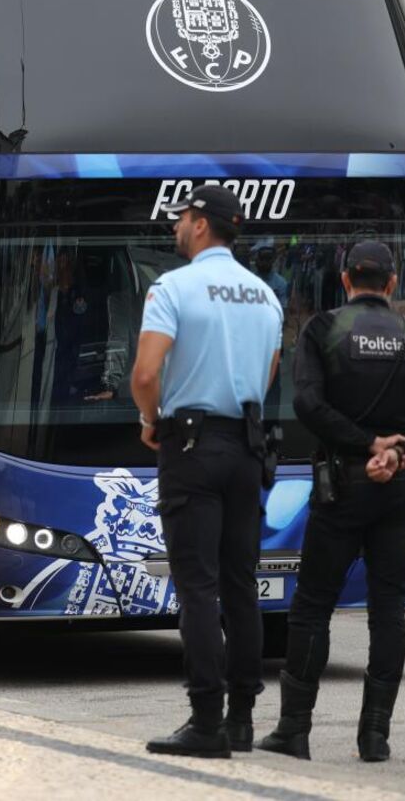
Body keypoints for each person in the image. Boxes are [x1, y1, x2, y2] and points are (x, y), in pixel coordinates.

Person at [131, 185, 282, 758]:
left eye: (182, 219)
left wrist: (152, 419)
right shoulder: (265, 296)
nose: (176, 228)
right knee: (241, 585)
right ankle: (241, 718)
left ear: (200, 225)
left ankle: (205, 721)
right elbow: (268, 373)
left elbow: (146, 374)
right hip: (247, 447)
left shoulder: (173, 287)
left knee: (197, 585)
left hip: (191, 447)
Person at [259, 241, 405, 762]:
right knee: (389, 609)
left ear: (345, 280)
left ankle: (293, 730)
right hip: (399, 488)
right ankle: (375, 736)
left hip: (340, 486)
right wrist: (393, 451)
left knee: (312, 606)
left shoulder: (323, 329)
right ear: (392, 283)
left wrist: (365, 445)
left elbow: (306, 402)